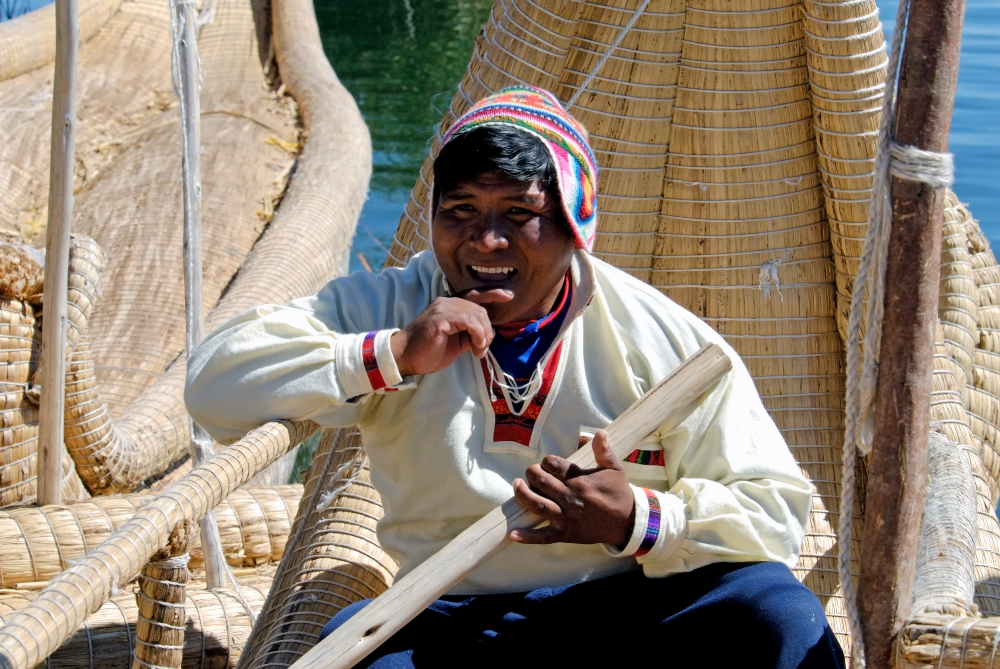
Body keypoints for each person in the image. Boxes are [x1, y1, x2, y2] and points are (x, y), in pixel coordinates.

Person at [186, 85, 844, 668]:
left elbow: (776, 510)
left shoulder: (663, 340)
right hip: (450, 612)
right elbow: (212, 384)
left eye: (518, 214)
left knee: (777, 619)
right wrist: (390, 354)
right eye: (462, 210)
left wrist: (637, 521)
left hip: (632, 603)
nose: (485, 241)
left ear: (573, 225)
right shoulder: (391, 309)